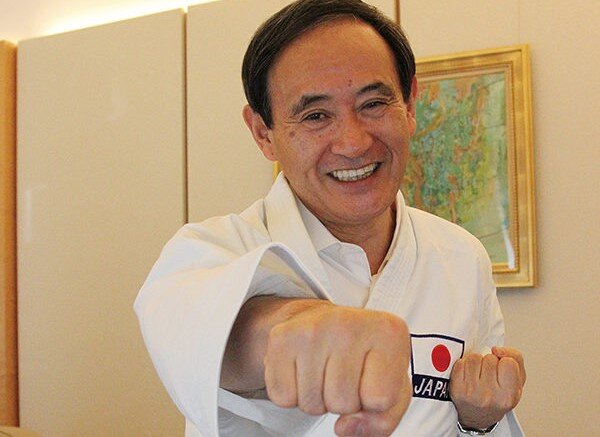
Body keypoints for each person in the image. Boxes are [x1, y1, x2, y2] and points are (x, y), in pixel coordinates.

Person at [134, 0, 526, 435]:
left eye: (373, 103)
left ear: (410, 104)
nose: (354, 143)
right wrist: (291, 328)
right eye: (316, 116)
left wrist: (477, 421)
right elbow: (200, 334)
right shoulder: (210, 252)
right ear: (263, 133)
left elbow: (476, 413)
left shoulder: (462, 256)